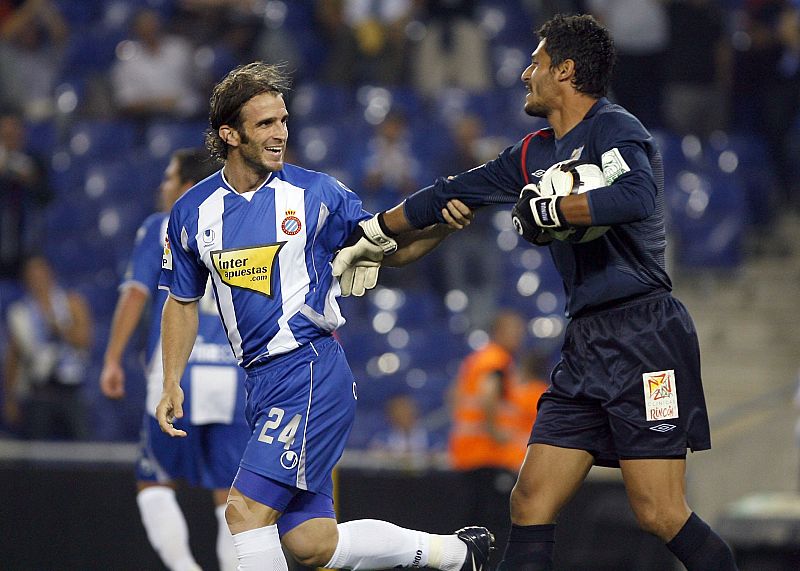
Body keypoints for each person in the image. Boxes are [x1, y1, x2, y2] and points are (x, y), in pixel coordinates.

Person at [331, 13, 738, 571]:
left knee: (660, 511)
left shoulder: (614, 128)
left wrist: (554, 208)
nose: (526, 74)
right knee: (530, 500)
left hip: (646, 336)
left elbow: (639, 197)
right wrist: (373, 232)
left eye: (538, 63)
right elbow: (450, 192)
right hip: (587, 343)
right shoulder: (532, 154)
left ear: (565, 71)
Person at [155, 61, 493, 571]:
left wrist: (441, 228)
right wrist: (172, 379)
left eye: (284, 120)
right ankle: (454, 554)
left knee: (244, 512)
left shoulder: (316, 194)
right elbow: (181, 300)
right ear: (229, 134)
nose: (280, 133)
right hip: (261, 385)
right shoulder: (191, 212)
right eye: (265, 124)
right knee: (312, 542)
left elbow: (387, 249)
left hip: (307, 370)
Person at [99, 148, 247, 571]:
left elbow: (136, 294)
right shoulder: (242, 226)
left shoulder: (163, 225)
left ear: (185, 187)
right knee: (230, 496)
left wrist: (112, 358)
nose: (161, 187)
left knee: (153, 480)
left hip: (175, 374)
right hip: (231, 376)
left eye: (168, 178)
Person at [449, 310, 544, 566]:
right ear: (500, 332)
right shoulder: (496, 360)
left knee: (470, 523)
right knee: (491, 527)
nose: (520, 336)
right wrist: (494, 431)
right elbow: (488, 393)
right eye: (515, 331)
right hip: (488, 455)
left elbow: (454, 396)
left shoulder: (475, 360)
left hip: (468, 454)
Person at [3, 254, 92, 439]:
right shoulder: (21, 313)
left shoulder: (71, 303)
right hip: (39, 390)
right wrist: (10, 398)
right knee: (37, 450)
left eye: (40, 273)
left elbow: (84, 340)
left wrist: (60, 329)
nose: (37, 280)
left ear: (50, 274)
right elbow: (14, 356)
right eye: (31, 275)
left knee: (81, 445)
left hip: (70, 388)